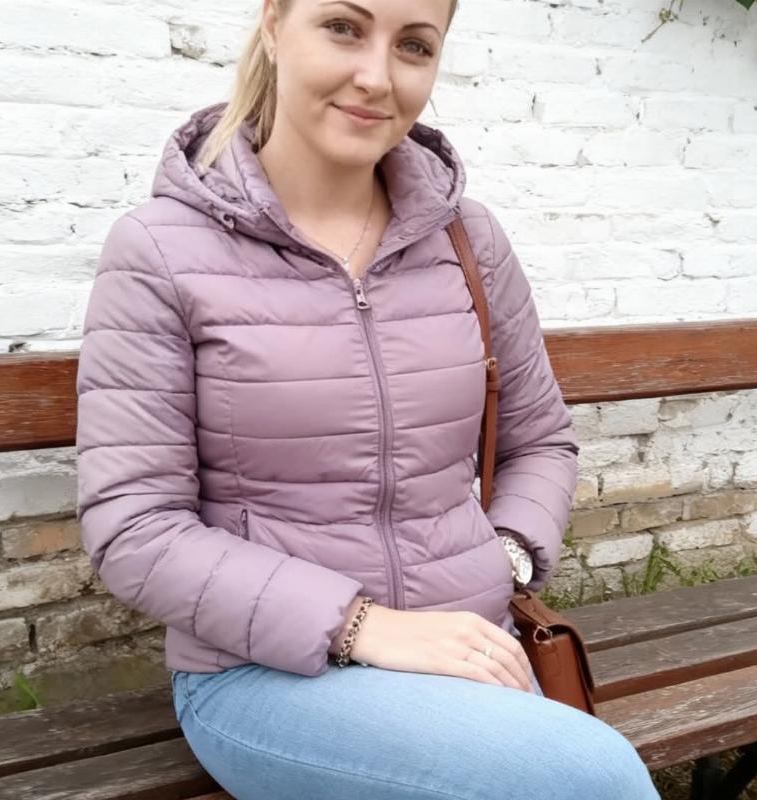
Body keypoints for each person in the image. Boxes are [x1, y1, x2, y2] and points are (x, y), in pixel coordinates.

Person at [75, 0, 661, 797]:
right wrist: (361, 625)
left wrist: (505, 558)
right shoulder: (160, 250)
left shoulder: (467, 240)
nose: (377, 77)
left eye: (414, 45)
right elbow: (135, 527)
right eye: (344, 27)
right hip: (267, 672)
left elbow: (539, 442)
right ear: (274, 25)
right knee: (591, 777)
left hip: (469, 648)